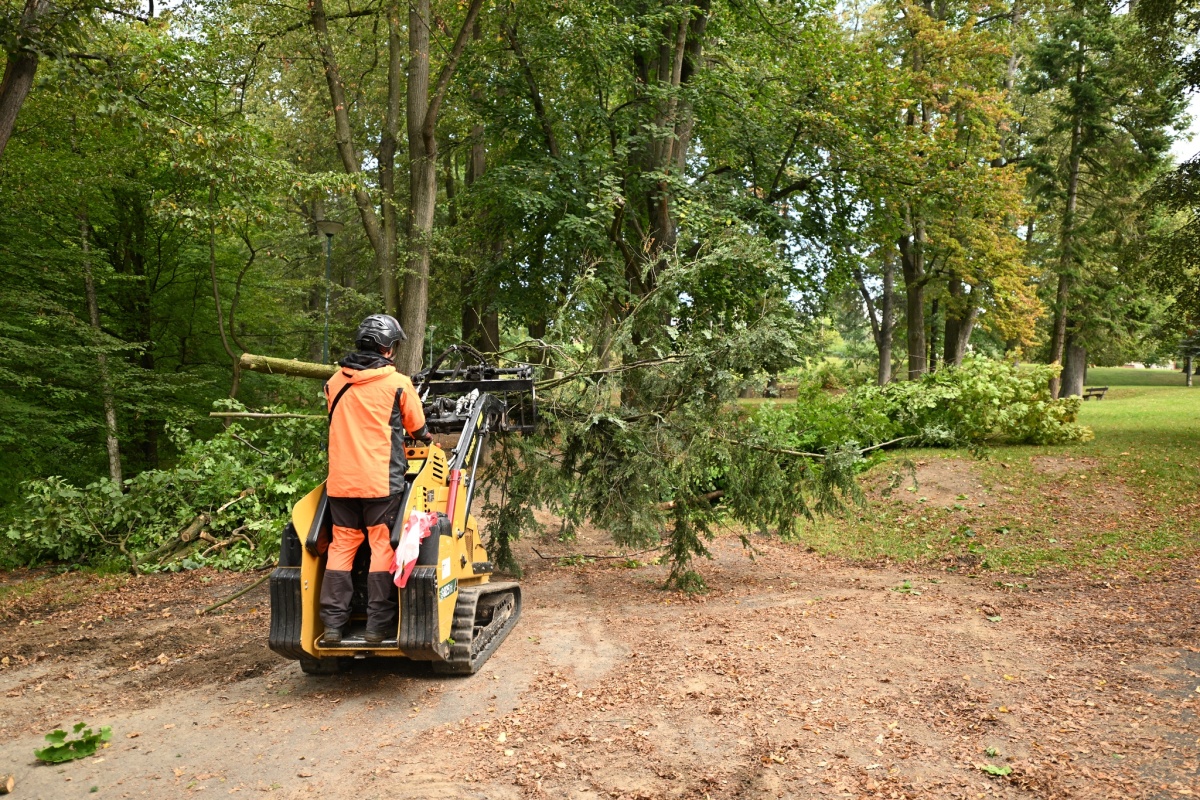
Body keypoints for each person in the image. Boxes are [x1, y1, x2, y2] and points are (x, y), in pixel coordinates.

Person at [320, 314, 432, 645]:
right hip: (380, 484)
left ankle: (333, 626)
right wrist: (428, 439)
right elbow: (416, 427)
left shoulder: (333, 383)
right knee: (381, 546)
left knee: (342, 546)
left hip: (341, 483)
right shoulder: (397, 383)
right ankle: (376, 627)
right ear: (387, 348)